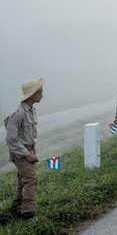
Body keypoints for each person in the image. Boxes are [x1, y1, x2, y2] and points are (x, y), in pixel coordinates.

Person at [4, 78, 44, 220]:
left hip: (29, 149)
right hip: (20, 152)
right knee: (31, 179)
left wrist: (32, 150)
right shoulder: (18, 113)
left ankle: (16, 206)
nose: (42, 96)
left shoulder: (32, 110)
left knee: (23, 179)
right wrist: (27, 154)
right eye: (40, 93)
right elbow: (10, 139)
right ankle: (28, 213)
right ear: (32, 95)